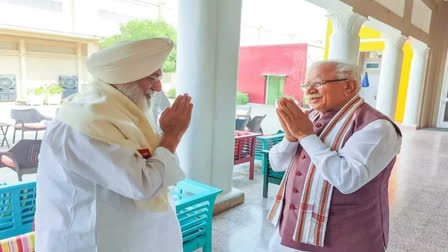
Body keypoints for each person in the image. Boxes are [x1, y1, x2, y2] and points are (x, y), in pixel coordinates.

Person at [35, 38, 193, 252]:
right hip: (91, 241)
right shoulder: (86, 123)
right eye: (152, 78)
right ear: (123, 79)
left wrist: (167, 136)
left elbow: (153, 159)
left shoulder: (118, 111)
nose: (158, 87)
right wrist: (173, 134)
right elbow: (142, 184)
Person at [267, 60, 402, 252]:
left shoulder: (377, 127)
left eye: (317, 83)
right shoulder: (310, 117)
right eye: (306, 85)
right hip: (290, 231)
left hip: (344, 240)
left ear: (349, 86)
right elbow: (277, 164)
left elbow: (347, 179)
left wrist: (305, 135)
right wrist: (290, 137)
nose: (309, 91)